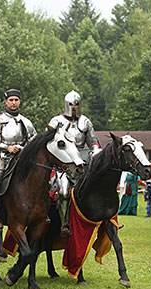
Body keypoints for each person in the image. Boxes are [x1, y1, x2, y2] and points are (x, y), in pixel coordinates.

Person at [47, 90, 101, 235]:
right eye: (71, 104)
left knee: (98, 188)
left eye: (77, 104)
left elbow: (92, 140)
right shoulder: (56, 121)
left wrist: (96, 150)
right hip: (62, 161)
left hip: (83, 159)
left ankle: (101, 220)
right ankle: (64, 224)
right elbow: (48, 142)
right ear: (66, 104)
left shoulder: (85, 121)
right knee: (63, 192)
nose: (74, 107)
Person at [0, 88, 37, 230]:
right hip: (3, 158)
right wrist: (7, 148)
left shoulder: (26, 121)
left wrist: (24, 149)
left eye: (16, 100)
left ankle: (42, 212)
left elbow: (33, 141)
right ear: (6, 102)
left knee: (43, 179)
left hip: (23, 159)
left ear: (20, 101)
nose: (13, 103)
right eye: (11, 100)